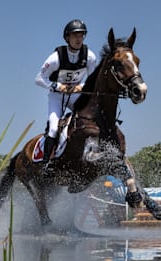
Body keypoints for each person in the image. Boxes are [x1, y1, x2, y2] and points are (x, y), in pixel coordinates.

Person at [33, 19, 98, 162]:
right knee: (53, 129)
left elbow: (93, 81)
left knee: (92, 120)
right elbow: (39, 79)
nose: (78, 39)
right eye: (75, 35)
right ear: (67, 37)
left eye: (81, 35)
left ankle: (95, 152)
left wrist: (81, 87)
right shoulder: (55, 58)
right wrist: (57, 86)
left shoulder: (90, 57)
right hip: (57, 97)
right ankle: (46, 163)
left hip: (76, 96)